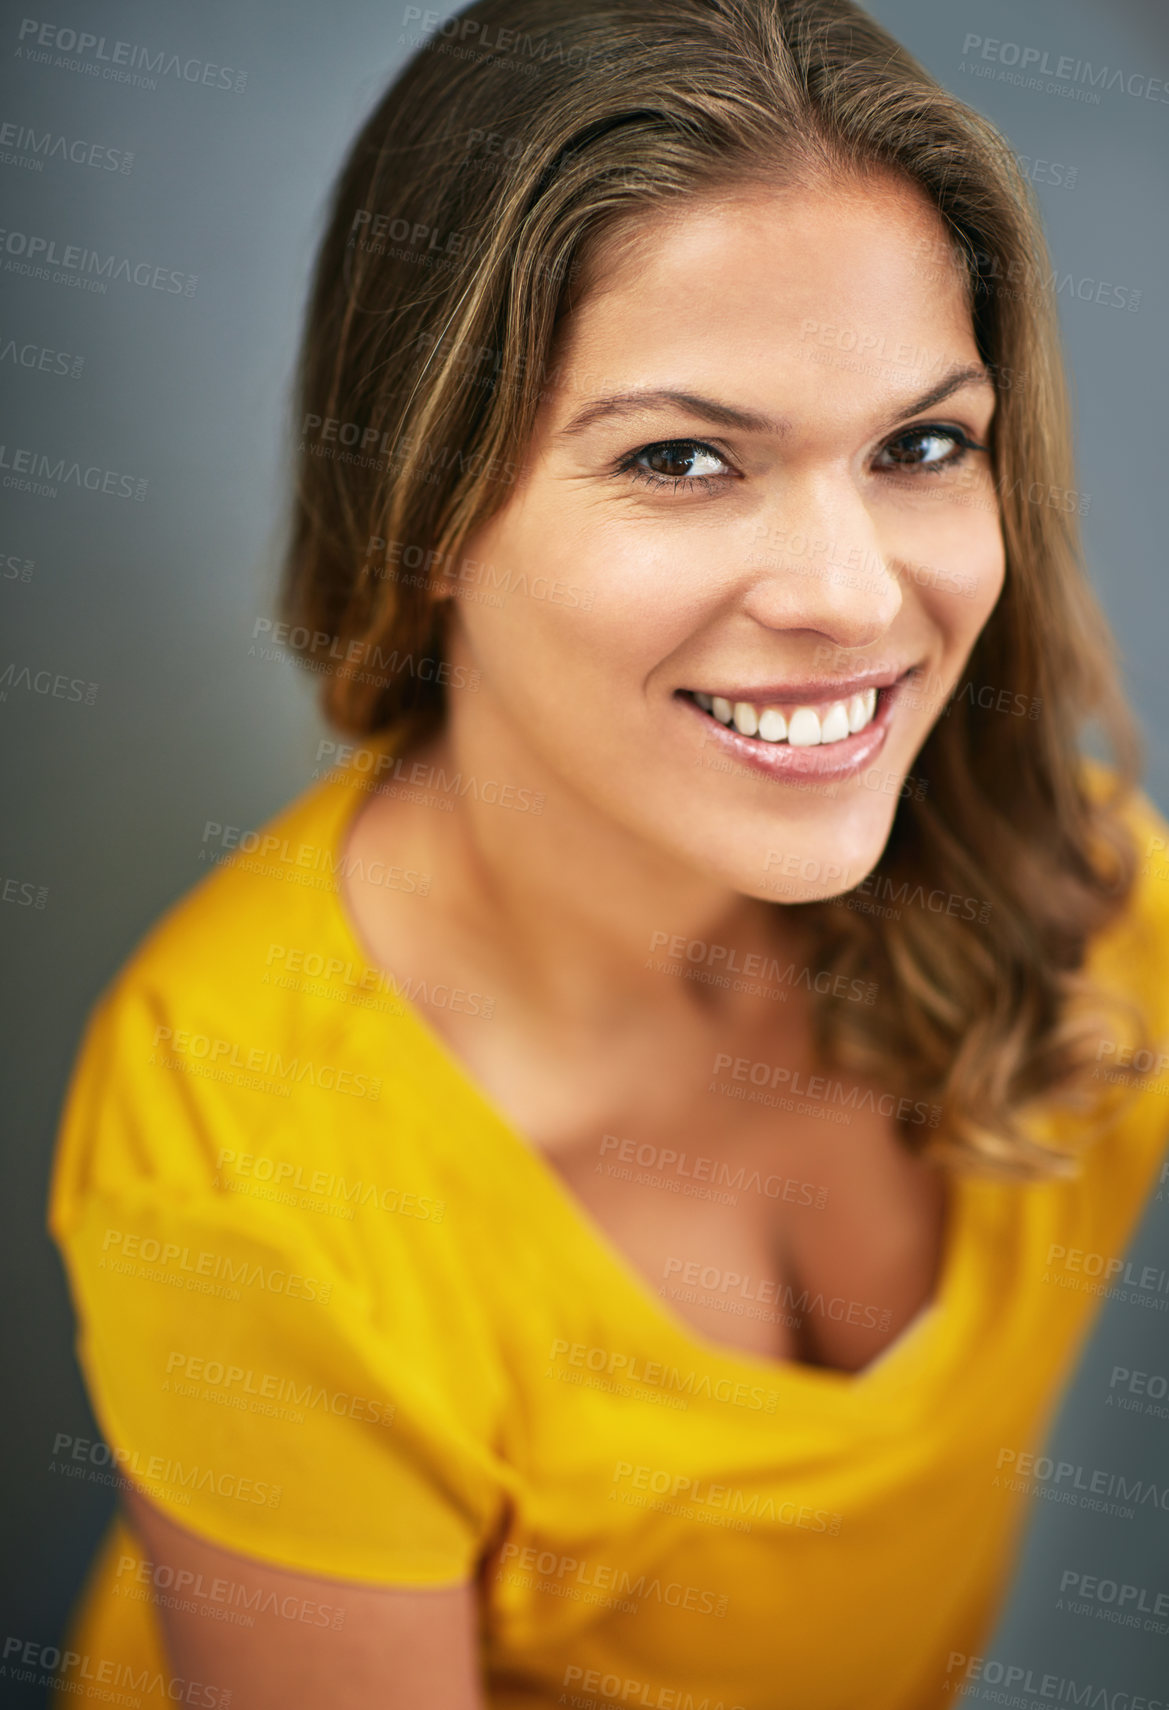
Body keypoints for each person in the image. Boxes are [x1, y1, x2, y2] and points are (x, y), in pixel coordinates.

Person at [48, 0, 1169, 1705]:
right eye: (681, 458)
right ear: (426, 499)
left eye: (920, 445)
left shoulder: (1083, 906)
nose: (854, 596)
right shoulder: (244, 1176)